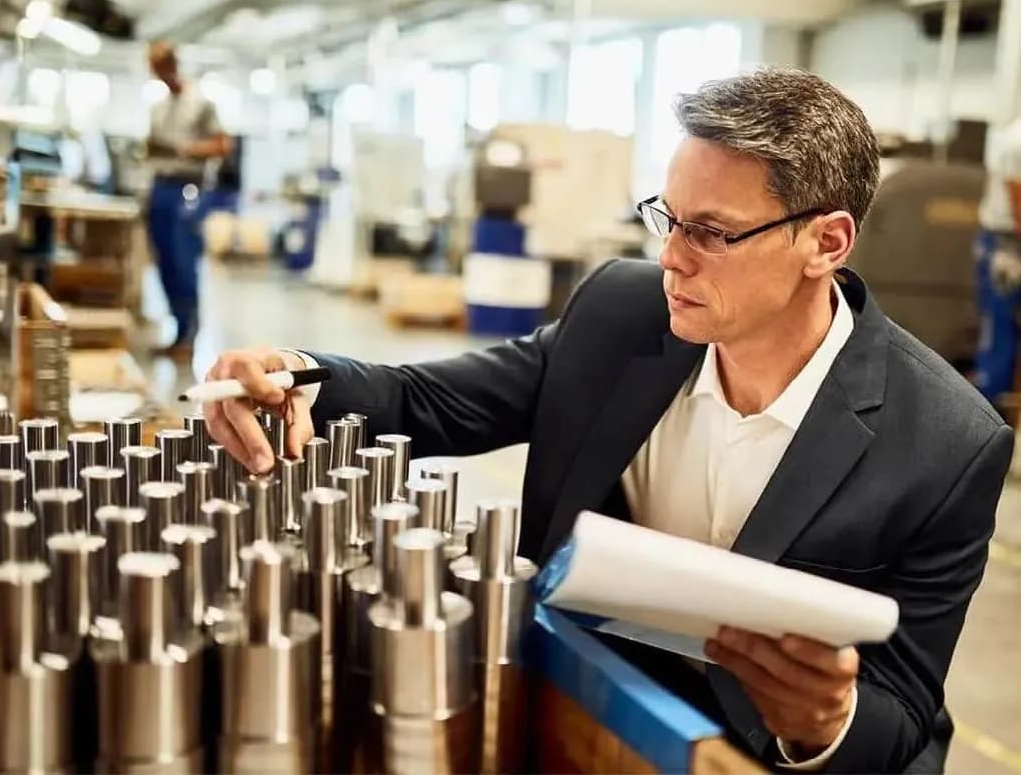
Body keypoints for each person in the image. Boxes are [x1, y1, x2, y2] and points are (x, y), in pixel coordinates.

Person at [201, 68, 1012, 773]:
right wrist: (290, 376)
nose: (671, 257)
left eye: (712, 233)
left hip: (759, 752)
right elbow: (425, 401)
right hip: (587, 694)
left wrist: (823, 723)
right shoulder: (624, 314)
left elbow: (903, 714)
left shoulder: (944, 442)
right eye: (668, 216)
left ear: (827, 241)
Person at [145, 40, 231, 358]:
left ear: (171, 65)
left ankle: (189, 334)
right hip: (160, 187)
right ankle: (178, 330)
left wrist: (184, 149)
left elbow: (223, 145)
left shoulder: (201, 104)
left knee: (183, 263)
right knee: (165, 264)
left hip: (188, 189)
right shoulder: (160, 106)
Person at [974, 115, 1021, 408]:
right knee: (1000, 329)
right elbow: (1019, 207)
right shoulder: (1017, 142)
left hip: (1006, 242)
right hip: (1007, 245)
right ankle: (991, 409)